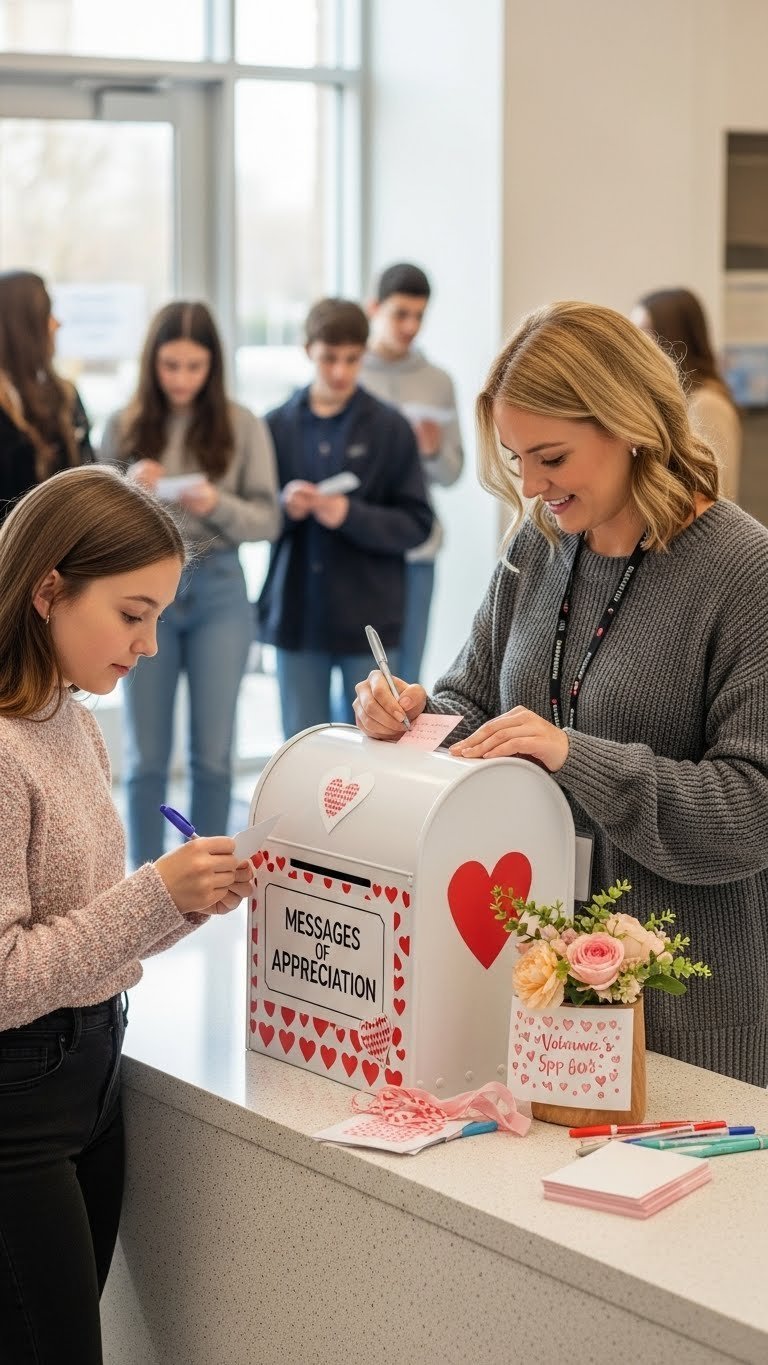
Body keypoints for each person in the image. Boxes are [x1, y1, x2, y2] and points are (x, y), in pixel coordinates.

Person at [354, 299, 768, 1088]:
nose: (534, 486)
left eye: (552, 457)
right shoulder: (537, 546)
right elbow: (470, 706)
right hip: (541, 997)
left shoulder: (745, 573)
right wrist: (412, 718)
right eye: (516, 460)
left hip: (687, 1012)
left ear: (632, 425)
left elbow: (752, 809)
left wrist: (575, 755)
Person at [0, 465, 253, 1364]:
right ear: (48, 591)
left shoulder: (70, 714)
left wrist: (187, 902)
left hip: (93, 1076)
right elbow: (5, 979)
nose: (148, 646)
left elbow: (82, 929)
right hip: (19, 1103)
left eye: (160, 617)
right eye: (133, 613)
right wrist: (156, 893)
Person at [100, 300, 280, 867]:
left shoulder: (242, 424)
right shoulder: (124, 424)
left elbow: (268, 519)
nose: (180, 379)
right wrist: (129, 489)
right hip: (139, 595)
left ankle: (208, 876)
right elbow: (97, 520)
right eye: (169, 365)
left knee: (213, 753)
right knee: (146, 755)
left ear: (214, 366)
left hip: (220, 588)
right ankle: (142, 884)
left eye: (194, 367)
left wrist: (215, 502)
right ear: (151, 363)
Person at [257, 297, 433, 737]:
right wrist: (286, 507)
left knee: (376, 748)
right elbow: (255, 517)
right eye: (328, 358)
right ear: (307, 351)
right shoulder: (275, 425)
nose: (339, 371)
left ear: (364, 354)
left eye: (352, 359)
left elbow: (417, 524)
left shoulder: (390, 428)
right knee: (302, 746)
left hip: (369, 615)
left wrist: (350, 515)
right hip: (298, 614)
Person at [361, 262, 463, 681]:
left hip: (417, 551)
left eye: (419, 316)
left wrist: (433, 448)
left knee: (404, 677)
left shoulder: (437, 381)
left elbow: (451, 473)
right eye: (400, 314)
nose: (410, 326)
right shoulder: (352, 374)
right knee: (362, 680)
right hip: (362, 548)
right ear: (374, 308)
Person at [631, 287, 742, 501]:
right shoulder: (671, 401)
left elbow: (713, 491)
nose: (637, 347)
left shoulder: (706, 403)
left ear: (674, 339)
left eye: (647, 334)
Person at [0, 269, 92, 522]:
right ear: (21, 327)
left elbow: (90, 478)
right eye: (46, 315)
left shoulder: (64, 395)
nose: (57, 323)